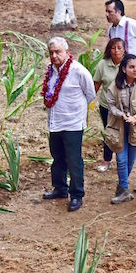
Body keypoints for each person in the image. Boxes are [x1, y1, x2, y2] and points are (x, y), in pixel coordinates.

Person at [41, 37, 96, 212]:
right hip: (55, 123)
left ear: (66, 51)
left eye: (58, 52)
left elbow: (90, 94)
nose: (54, 55)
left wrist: (76, 112)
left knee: (74, 160)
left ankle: (77, 194)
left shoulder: (79, 71)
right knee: (57, 158)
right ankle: (60, 188)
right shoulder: (51, 71)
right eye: (51, 53)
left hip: (72, 123)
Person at [105, 54, 136, 204]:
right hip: (119, 128)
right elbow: (110, 105)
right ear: (124, 69)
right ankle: (124, 189)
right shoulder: (115, 85)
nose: (135, 69)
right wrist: (121, 115)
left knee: (130, 160)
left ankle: (122, 189)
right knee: (121, 159)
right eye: (131, 67)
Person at [93, 38, 126, 172]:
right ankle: (107, 160)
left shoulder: (129, 63)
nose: (116, 51)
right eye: (113, 48)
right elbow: (96, 84)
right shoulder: (103, 64)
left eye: (119, 47)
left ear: (124, 49)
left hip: (124, 106)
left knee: (124, 133)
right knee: (109, 132)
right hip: (106, 105)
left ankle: (122, 161)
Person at [105, 0, 136, 68]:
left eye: (110, 12)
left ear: (119, 12)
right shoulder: (110, 30)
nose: (106, 15)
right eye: (106, 11)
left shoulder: (133, 25)